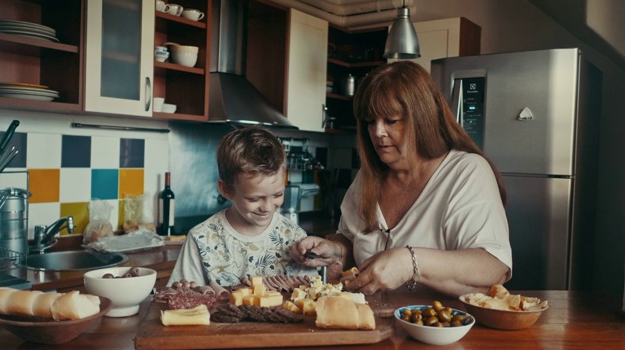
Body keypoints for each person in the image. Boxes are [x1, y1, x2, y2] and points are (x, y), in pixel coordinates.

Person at [291, 61, 512, 298]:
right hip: (372, 327)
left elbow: (493, 268)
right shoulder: (368, 177)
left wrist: (409, 261)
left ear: (422, 118)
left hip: (440, 331)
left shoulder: (466, 172)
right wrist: (336, 250)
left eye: (391, 120)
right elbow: (350, 239)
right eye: (369, 121)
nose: (377, 132)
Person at [169, 126, 317, 287]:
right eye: (254, 199)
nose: (267, 207)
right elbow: (180, 297)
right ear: (226, 189)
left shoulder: (294, 236)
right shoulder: (201, 239)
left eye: (277, 195)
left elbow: (309, 292)